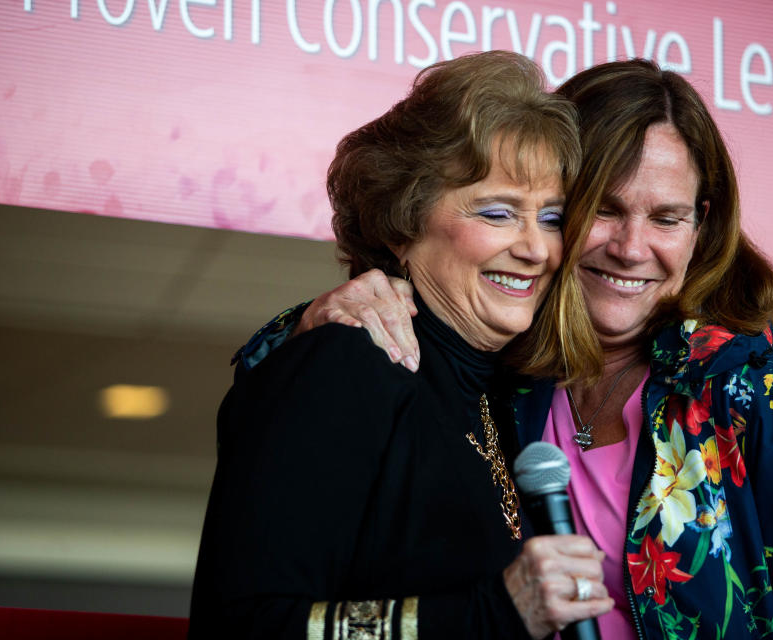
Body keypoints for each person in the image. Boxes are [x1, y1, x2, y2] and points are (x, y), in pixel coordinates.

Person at [250, 59, 773, 639]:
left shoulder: (751, 396)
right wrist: (313, 320)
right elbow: (289, 381)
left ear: (701, 227)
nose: (631, 247)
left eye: (666, 218)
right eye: (604, 210)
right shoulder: (507, 378)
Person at [187, 51, 616, 639]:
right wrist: (493, 613)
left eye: (550, 218)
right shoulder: (340, 364)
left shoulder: (511, 397)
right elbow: (244, 626)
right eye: (497, 213)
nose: (536, 249)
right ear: (401, 223)